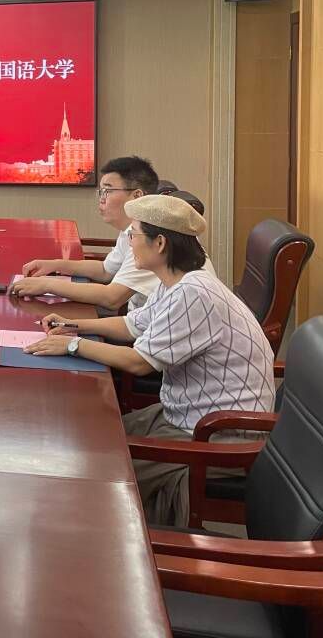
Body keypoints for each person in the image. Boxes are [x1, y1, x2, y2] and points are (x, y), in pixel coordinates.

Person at [25, 195, 275, 525]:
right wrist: (74, 326)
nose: (128, 242)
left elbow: (140, 363)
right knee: (93, 436)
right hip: (186, 413)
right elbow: (133, 324)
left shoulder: (192, 292)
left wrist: (73, 346)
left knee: (93, 472)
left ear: (160, 243)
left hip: (217, 433)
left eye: (134, 235)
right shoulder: (176, 280)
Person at [10, 155, 216, 312]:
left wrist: (46, 285)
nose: (101, 198)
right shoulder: (133, 229)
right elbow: (106, 270)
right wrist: (54, 265)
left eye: (108, 191)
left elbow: (112, 298)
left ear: (137, 195)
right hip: (139, 323)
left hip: (151, 334)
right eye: (100, 191)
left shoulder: (152, 239)